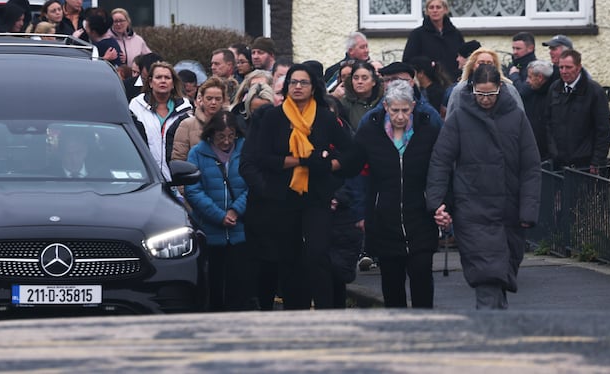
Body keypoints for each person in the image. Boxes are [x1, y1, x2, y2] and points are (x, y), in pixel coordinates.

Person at [426, 64, 541, 310]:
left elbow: (531, 167)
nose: (485, 99)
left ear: (500, 89)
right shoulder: (459, 118)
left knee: (501, 274)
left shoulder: (516, 117)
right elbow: (440, 161)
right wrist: (437, 203)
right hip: (472, 210)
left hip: (509, 212)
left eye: (490, 94)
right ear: (472, 89)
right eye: (480, 93)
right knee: (487, 275)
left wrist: (528, 211)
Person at [239, 62, 352, 310]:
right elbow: (260, 158)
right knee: (288, 258)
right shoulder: (273, 117)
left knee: (317, 253)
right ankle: (295, 311)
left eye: (303, 82)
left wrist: (329, 169)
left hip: (316, 195)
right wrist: (300, 161)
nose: (298, 87)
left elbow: (350, 154)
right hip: (282, 197)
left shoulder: (324, 117)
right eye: (293, 82)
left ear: (314, 88)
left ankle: (326, 311)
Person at [341, 81, 439, 308]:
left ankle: (426, 327)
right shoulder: (370, 131)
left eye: (406, 110)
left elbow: (441, 170)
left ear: (413, 106)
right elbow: (354, 173)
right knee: (392, 283)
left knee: (422, 274)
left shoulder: (428, 130)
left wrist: (442, 204)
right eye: (395, 110)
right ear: (385, 106)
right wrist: (359, 212)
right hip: (384, 218)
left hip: (420, 215)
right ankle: (398, 330)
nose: (400, 116)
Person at [184, 110, 248, 311]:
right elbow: (193, 190)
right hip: (210, 230)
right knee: (212, 282)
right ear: (211, 134)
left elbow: (252, 186)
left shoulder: (245, 151)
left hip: (240, 230)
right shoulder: (197, 153)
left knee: (238, 282)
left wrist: (236, 210)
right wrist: (219, 216)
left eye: (231, 136)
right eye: (221, 137)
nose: (227, 142)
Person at [545, 49, 610, 174]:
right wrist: (552, 151)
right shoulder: (555, 88)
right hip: (558, 162)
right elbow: (548, 122)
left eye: (568, 67)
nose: (564, 71)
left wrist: (597, 161)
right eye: (561, 67)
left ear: (578, 67)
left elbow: (603, 129)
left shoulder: (594, 91)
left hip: (584, 164)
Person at [128, 61, 193, 181]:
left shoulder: (186, 108)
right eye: (158, 77)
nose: (163, 81)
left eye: (167, 78)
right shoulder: (136, 105)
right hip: (145, 177)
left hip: (176, 178)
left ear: (173, 83)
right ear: (151, 82)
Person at [402, 0, 465, 83]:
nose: (435, 10)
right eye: (431, 7)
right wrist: (426, 64)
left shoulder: (455, 34)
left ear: (446, 10)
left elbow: (464, 59)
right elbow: (407, 61)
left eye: (438, 7)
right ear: (427, 11)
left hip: (453, 83)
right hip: (429, 85)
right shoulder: (417, 35)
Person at [171, 77, 226, 163]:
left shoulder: (231, 124)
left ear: (223, 100)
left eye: (218, 99)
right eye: (209, 98)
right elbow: (179, 160)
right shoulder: (187, 125)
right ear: (202, 99)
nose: (213, 102)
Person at [522, 60, 554, 162]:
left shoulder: (553, 96)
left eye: (530, 77)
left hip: (548, 156)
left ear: (540, 77)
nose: (527, 80)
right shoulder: (532, 93)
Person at [339, 61, 382, 133]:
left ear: (373, 81)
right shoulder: (344, 104)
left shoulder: (383, 101)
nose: (359, 81)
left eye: (364, 78)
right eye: (356, 78)